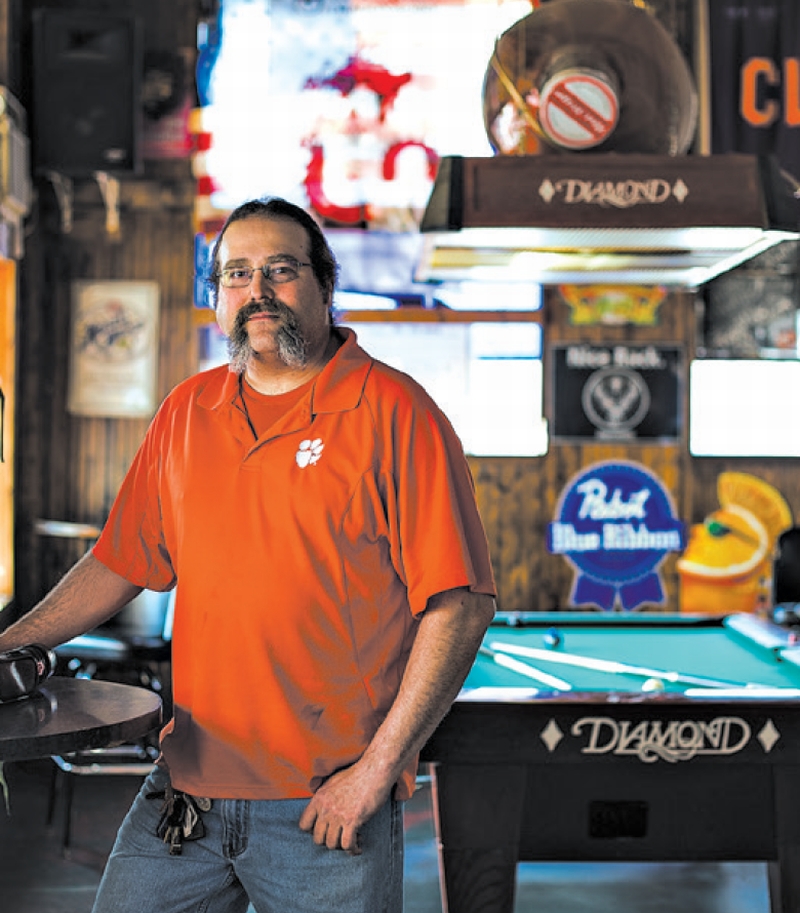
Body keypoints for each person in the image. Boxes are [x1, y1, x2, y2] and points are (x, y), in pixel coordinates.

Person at [0, 197, 496, 913]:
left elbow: (460, 602)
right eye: (236, 273)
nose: (256, 290)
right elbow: (120, 561)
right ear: (216, 298)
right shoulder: (187, 412)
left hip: (324, 801)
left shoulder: (395, 411)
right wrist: (12, 642)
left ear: (325, 286)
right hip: (188, 786)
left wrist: (374, 772)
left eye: (280, 269)